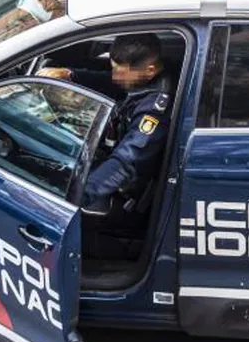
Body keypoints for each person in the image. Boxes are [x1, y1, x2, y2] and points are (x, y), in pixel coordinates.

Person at [38, 34, 174, 214]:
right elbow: (112, 81)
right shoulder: (144, 78)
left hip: (126, 195)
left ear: (150, 70)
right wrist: (70, 74)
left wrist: (76, 197)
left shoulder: (154, 109)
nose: (114, 77)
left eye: (119, 72)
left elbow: (127, 162)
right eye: (113, 69)